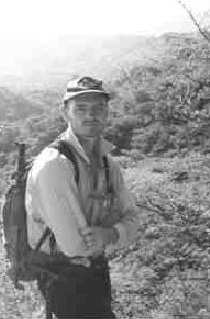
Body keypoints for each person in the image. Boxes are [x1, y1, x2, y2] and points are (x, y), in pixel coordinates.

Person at [25, 76, 139, 318]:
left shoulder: (108, 164)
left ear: (107, 113)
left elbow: (135, 221)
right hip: (64, 281)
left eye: (98, 108)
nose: (91, 116)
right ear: (66, 113)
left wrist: (109, 234)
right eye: (81, 109)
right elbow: (75, 246)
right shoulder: (54, 165)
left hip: (97, 274)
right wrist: (117, 233)